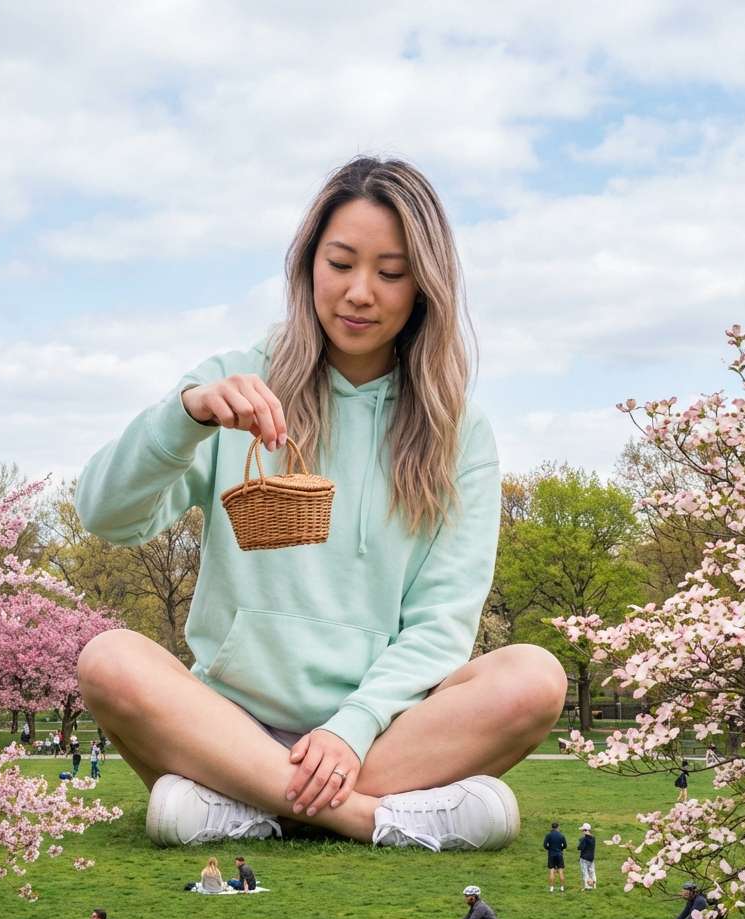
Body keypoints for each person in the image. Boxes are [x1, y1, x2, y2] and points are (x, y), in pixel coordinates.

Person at [74, 156, 567, 853]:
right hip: (227, 723)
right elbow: (105, 515)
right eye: (340, 263)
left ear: (425, 286)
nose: (360, 292)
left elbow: (443, 621)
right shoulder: (233, 382)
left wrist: (353, 723)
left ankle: (246, 806)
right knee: (108, 659)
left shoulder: (460, 433)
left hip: (383, 734)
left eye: (391, 273)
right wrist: (184, 419)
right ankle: (377, 821)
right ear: (308, 266)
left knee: (534, 679)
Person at [544, 821, 567, 892]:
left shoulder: (548, 835)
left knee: (551, 871)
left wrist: (549, 849)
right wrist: (561, 849)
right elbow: (565, 846)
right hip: (559, 854)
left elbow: (545, 845)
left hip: (551, 854)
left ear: (552, 827)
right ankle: (562, 887)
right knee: (561, 871)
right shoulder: (561, 835)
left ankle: (551, 888)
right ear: (558, 827)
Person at [577, 823, 596, 891]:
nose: (582, 832)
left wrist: (580, 842)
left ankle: (587, 886)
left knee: (585, 872)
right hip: (591, 857)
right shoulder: (593, 838)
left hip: (584, 857)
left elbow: (580, 848)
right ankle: (594, 885)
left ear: (585, 830)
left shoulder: (584, 839)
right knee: (592, 871)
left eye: (582, 830)